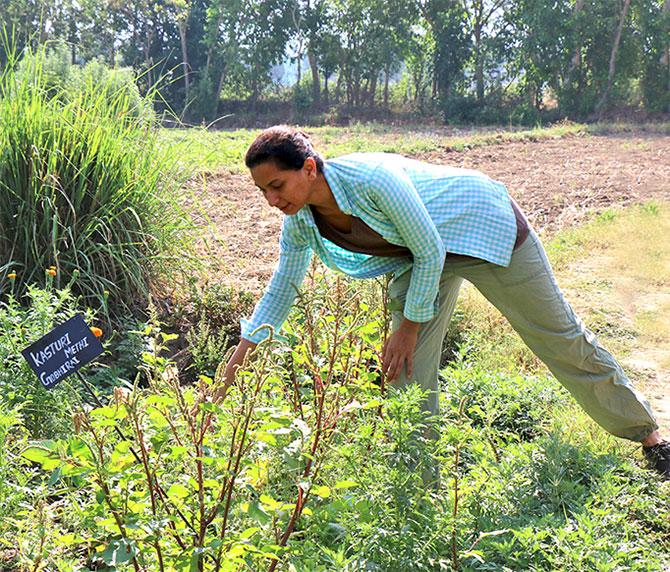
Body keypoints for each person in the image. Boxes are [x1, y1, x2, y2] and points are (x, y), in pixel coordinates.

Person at [215, 125, 669, 479]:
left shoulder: (374, 179)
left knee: (557, 337)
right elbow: (281, 291)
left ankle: (648, 436)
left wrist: (409, 327)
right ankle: (418, 483)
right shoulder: (301, 221)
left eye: (277, 185)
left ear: (309, 168)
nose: (272, 200)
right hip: (420, 256)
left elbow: (431, 248)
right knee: (402, 369)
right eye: (264, 191)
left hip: (481, 231)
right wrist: (233, 367)